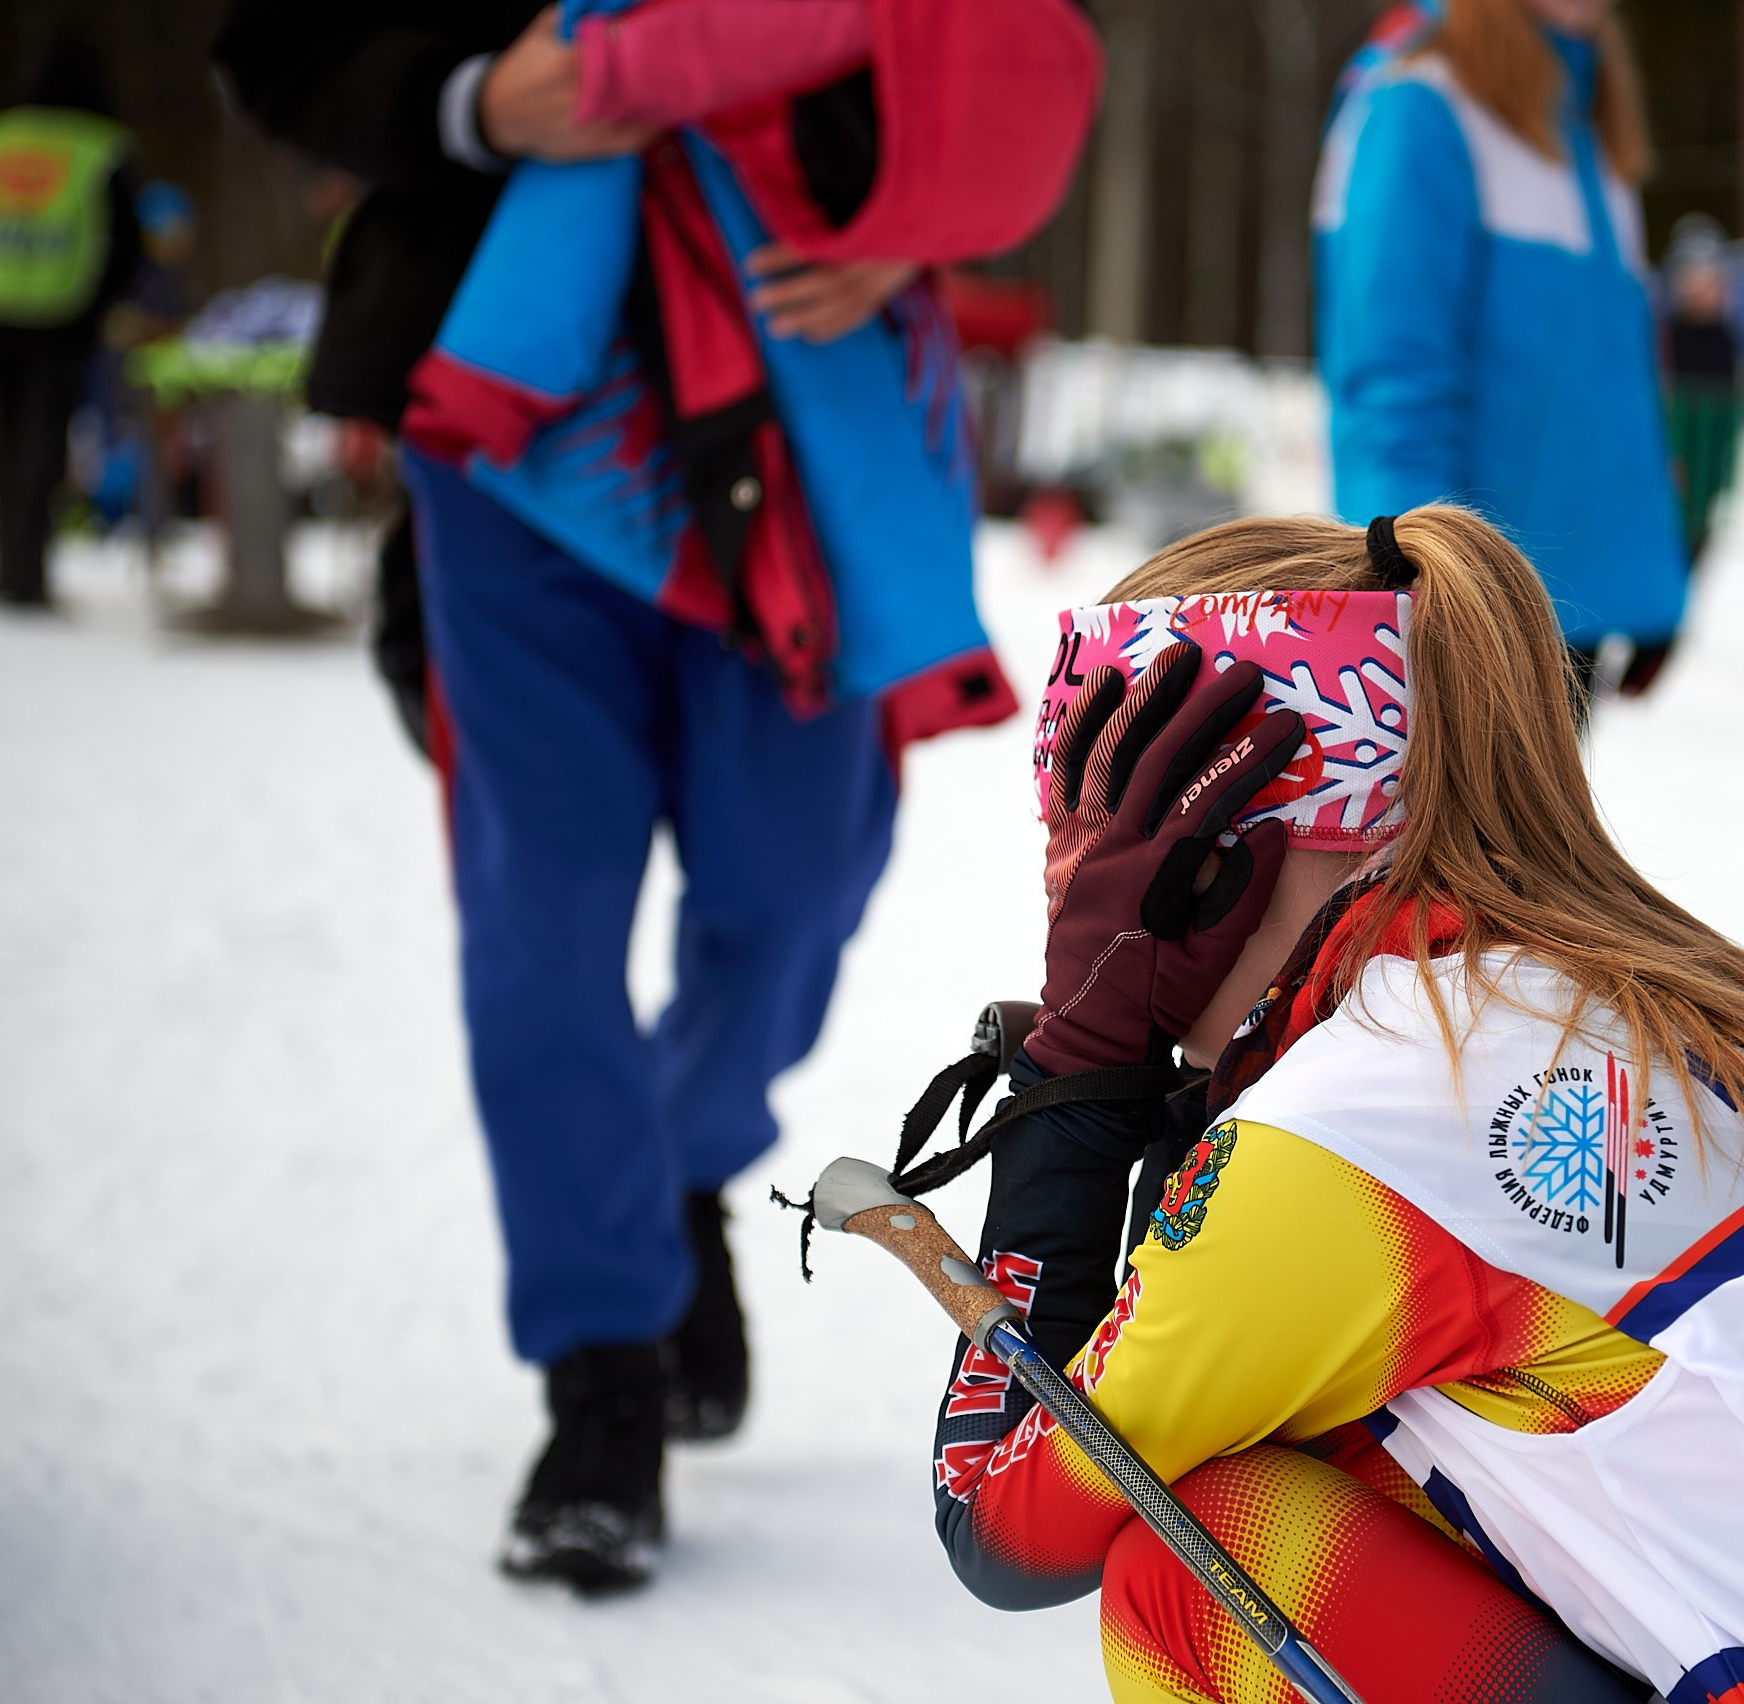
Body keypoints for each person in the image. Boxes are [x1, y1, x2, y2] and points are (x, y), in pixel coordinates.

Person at [906, 506, 1744, 1702]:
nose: (1066, 882)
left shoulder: (1353, 1123)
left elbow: (1003, 1518)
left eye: (1087, 825)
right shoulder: (1710, 1003)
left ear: (1219, 845)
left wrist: (1079, 1073)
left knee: (1199, 1564)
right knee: (1344, 1439)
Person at [214, 0, 1096, 1592]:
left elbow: (1025, 41)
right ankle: (599, 1372)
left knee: (791, 897)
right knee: (536, 925)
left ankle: (679, 1164)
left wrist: (923, 214)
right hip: (514, 452)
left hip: (809, 412)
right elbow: (281, 41)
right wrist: (480, 95)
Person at [1314, 0, 1688, 719]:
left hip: (1571, 603)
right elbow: (1391, 373)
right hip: (1470, 607)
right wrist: (1409, 575)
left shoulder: (1592, 125)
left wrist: (1645, 570)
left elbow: (1614, 384)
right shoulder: (1421, 101)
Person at [0, 38, 142, 609]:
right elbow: (127, 240)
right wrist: (106, 299)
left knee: (5, 431)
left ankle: (7, 563)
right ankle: (27, 570)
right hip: (64, 309)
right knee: (44, 435)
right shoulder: (99, 146)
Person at [1657, 211, 1744, 572]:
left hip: (1707, 466)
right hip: (1672, 467)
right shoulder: (1666, 335)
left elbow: (1733, 405)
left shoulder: (1727, 339)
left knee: (1695, 550)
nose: (1706, 287)